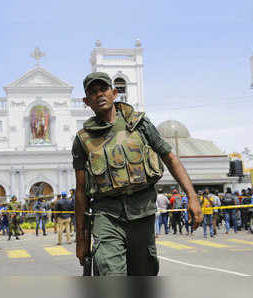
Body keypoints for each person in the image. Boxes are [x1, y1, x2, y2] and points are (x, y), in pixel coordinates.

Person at [73, 72, 203, 276]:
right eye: (93, 92)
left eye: (103, 89)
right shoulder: (83, 139)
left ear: (115, 93)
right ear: (86, 101)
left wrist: (192, 198)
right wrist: (81, 240)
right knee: (110, 274)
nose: (99, 94)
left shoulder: (139, 124)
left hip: (142, 214)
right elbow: (80, 192)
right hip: (106, 215)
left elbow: (170, 158)